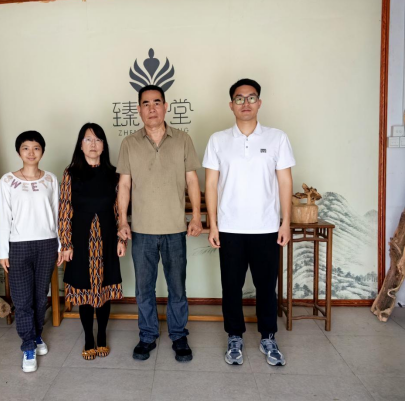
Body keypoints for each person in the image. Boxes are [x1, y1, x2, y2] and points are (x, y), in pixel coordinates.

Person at [203, 79, 295, 367]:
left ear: (259, 103)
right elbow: (211, 184)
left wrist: (285, 222)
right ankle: (234, 337)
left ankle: (268, 337)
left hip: (266, 227)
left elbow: (285, 181)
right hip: (230, 228)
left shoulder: (277, 138)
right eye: (240, 98)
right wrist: (213, 224)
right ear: (231, 105)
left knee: (266, 286)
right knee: (231, 286)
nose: (246, 103)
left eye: (251, 97)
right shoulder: (218, 140)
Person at [117, 85, 203, 363]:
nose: (151, 108)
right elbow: (124, 185)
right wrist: (122, 221)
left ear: (166, 107)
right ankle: (147, 335)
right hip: (141, 230)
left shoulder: (182, 139)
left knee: (177, 287)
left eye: (157, 102)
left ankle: (178, 335)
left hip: (175, 229)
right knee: (144, 289)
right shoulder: (129, 143)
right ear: (139, 109)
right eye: (146, 103)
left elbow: (192, 180)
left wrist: (196, 216)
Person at [59, 123, 127, 361]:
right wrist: (66, 244)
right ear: (80, 145)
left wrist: (121, 239)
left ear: (104, 145)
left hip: (107, 237)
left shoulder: (114, 174)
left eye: (98, 140)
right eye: (88, 139)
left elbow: (119, 211)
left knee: (104, 288)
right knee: (84, 289)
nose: (93, 144)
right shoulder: (71, 173)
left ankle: (102, 335)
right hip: (80, 239)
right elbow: (65, 210)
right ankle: (88, 336)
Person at [0, 131, 63, 373]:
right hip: (18, 246)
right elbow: (3, 217)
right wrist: (3, 252)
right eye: (26, 148)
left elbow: (57, 214)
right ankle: (27, 346)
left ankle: (36, 335)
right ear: (19, 152)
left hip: (47, 244)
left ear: (42, 151)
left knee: (40, 296)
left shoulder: (51, 180)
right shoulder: (7, 181)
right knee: (22, 299)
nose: (31, 152)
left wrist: (60, 245)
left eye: (36, 148)